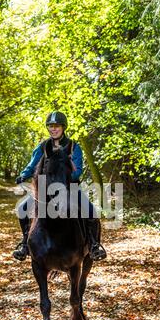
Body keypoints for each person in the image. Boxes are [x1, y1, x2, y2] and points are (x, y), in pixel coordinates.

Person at [13, 111, 107, 262]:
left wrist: (64, 180)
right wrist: (24, 175)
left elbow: (77, 169)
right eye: (50, 126)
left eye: (56, 126)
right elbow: (32, 165)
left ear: (63, 127)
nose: (53, 129)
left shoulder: (73, 147)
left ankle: (93, 244)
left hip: (70, 188)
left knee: (91, 211)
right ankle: (25, 244)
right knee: (22, 209)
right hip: (45, 189)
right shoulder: (43, 146)